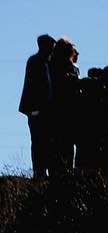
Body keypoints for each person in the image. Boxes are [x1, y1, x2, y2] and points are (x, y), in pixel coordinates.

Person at [18, 34, 54, 180]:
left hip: (48, 112)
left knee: (48, 144)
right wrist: (33, 110)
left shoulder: (49, 62)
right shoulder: (35, 61)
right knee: (39, 143)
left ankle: (47, 173)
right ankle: (39, 173)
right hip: (37, 112)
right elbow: (31, 86)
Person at [47, 37, 80, 174]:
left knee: (56, 145)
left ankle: (56, 172)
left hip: (54, 110)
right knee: (66, 145)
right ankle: (66, 173)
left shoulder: (49, 65)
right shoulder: (68, 67)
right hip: (67, 111)